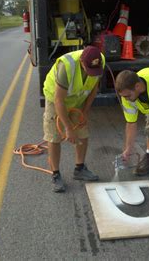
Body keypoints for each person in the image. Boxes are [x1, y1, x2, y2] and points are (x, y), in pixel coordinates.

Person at [43, 46, 105, 192]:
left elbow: (94, 88)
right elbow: (59, 101)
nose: (91, 73)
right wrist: (68, 128)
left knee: (83, 134)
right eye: (88, 69)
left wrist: (85, 112)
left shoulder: (99, 60)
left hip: (78, 98)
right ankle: (56, 175)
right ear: (82, 63)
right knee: (54, 137)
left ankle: (79, 169)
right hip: (56, 98)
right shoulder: (66, 66)